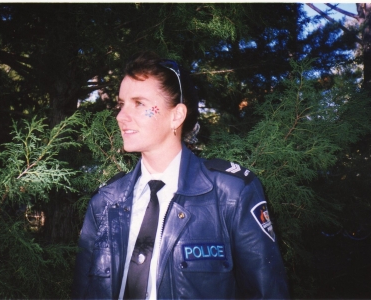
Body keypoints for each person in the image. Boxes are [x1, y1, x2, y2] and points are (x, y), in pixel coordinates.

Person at [72, 51, 290, 299]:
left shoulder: (231, 194)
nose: (121, 116)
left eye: (139, 103)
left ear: (176, 115)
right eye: (122, 105)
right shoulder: (105, 201)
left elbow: (267, 293)